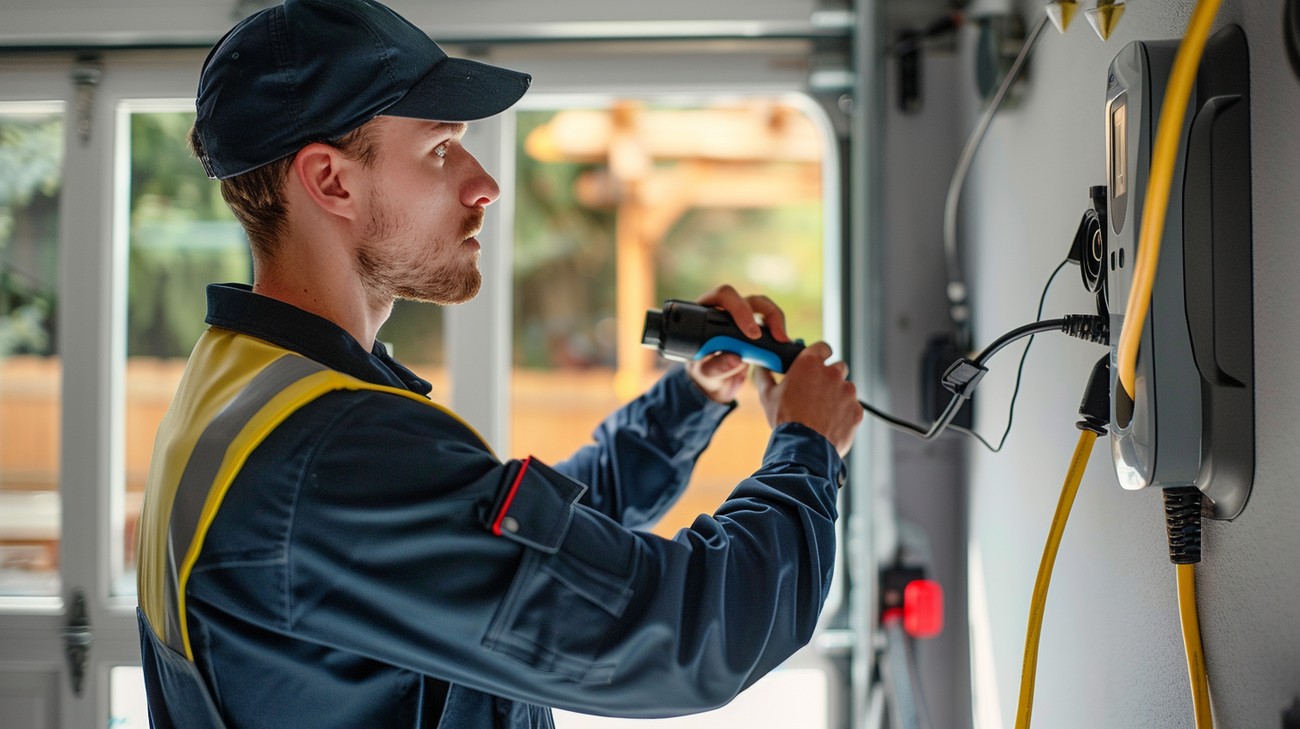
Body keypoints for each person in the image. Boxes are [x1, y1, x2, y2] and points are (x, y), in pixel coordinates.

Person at [134, 0, 864, 727]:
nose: (484, 183)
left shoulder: (249, 387)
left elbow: (521, 553)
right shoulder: (334, 455)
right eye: (440, 148)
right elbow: (684, 638)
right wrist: (807, 448)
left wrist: (691, 401)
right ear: (331, 182)